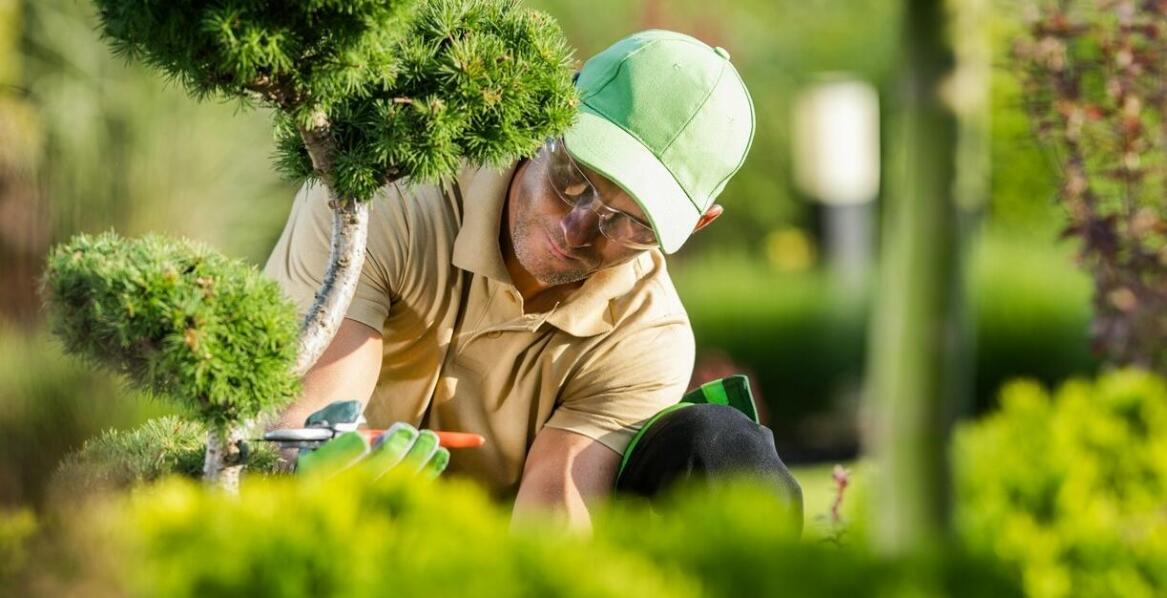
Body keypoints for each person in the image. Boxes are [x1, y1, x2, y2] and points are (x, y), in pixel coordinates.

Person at [264, 29, 801, 531]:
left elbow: (552, 515)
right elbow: (298, 431)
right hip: (332, 530)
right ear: (546, 117)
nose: (577, 227)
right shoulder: (389, 201)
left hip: (485, 561)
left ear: (699, 223)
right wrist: (321, 475)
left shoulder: (646, 334)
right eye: (574, 177)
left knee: (726, 452)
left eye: (632, 223)